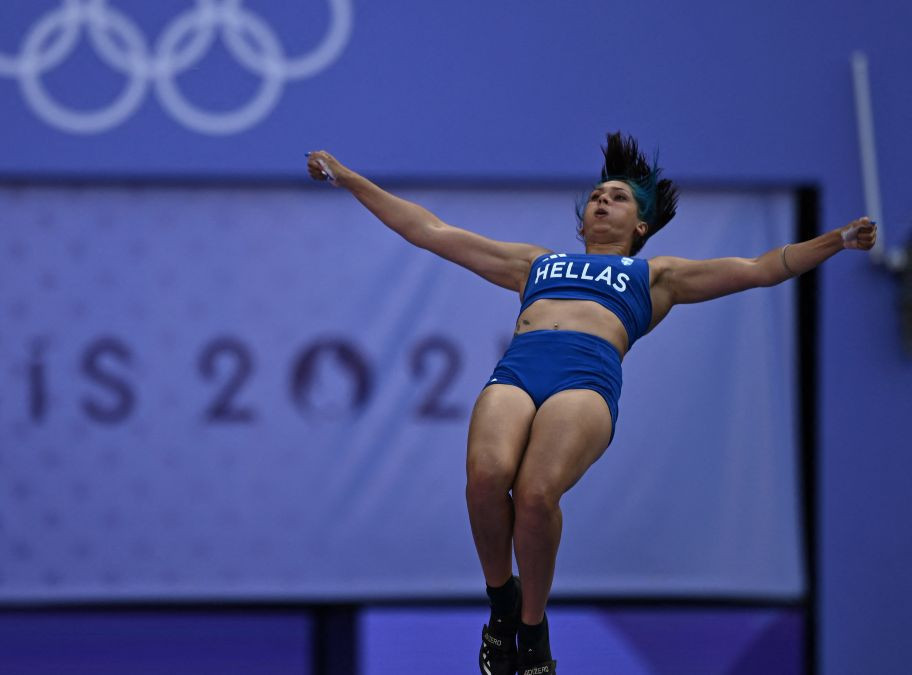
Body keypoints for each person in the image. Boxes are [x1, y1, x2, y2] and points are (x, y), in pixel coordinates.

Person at [305, 133, 877, 675]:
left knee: (534, 495)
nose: (603, 201)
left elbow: (761, 268)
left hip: (584, 380)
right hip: (519, 370)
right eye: (598, 196)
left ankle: (533, 631)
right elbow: (429, 230)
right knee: (486, 476)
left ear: (641, 223)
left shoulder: (657, 275)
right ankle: (502, 606)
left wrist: (838, 241)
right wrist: (351, 179)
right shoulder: (536, 263)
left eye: (619, 197)